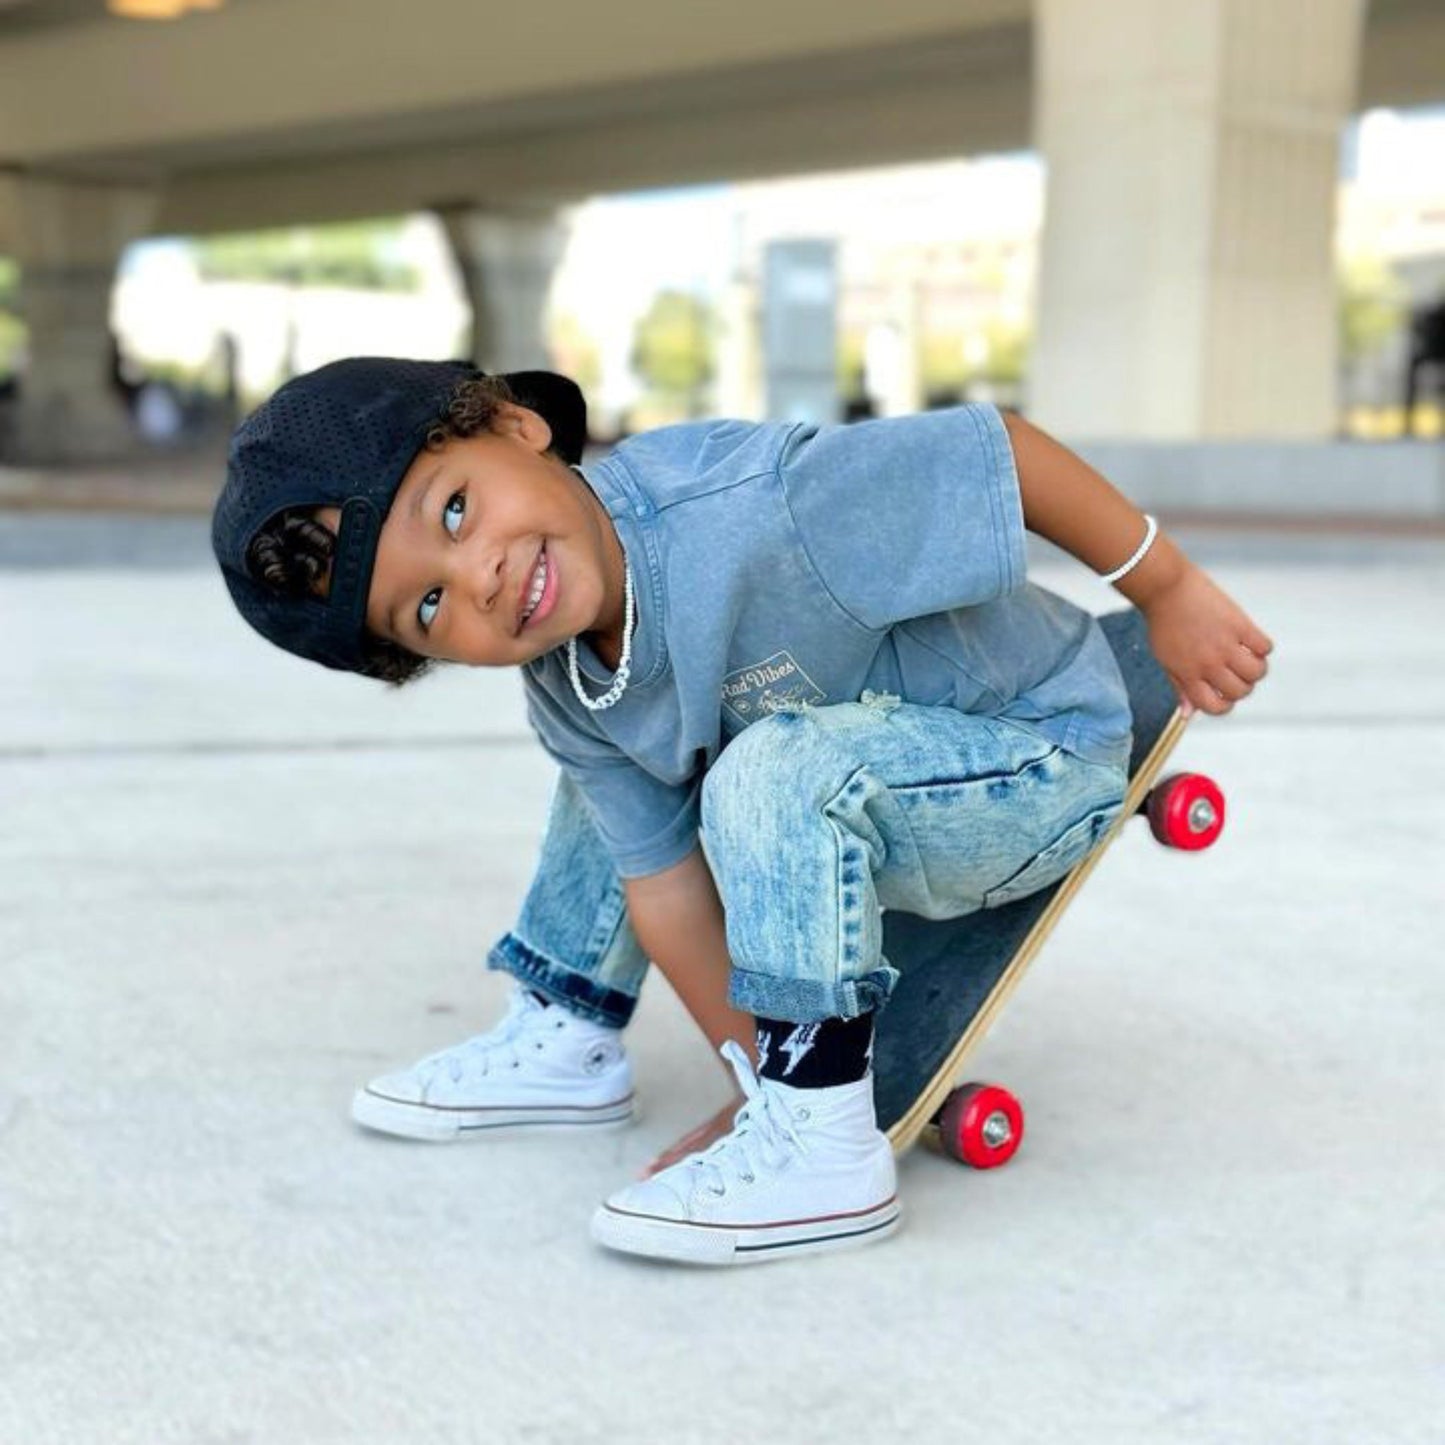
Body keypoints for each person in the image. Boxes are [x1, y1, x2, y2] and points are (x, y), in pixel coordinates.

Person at [212, 356, 1272, 1266]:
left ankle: (825, 1162)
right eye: (429, 605)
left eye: (453, 510)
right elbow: (663, 886)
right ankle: (574, 1026)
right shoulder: (561, 662)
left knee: (759, 763)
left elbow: (1001, 451)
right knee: (617, 738)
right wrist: (757, 1076)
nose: (477, 577)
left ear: (513, 424)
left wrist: (1168, 589)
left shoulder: (762, 508)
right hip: (847, 772)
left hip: (1030, 752)